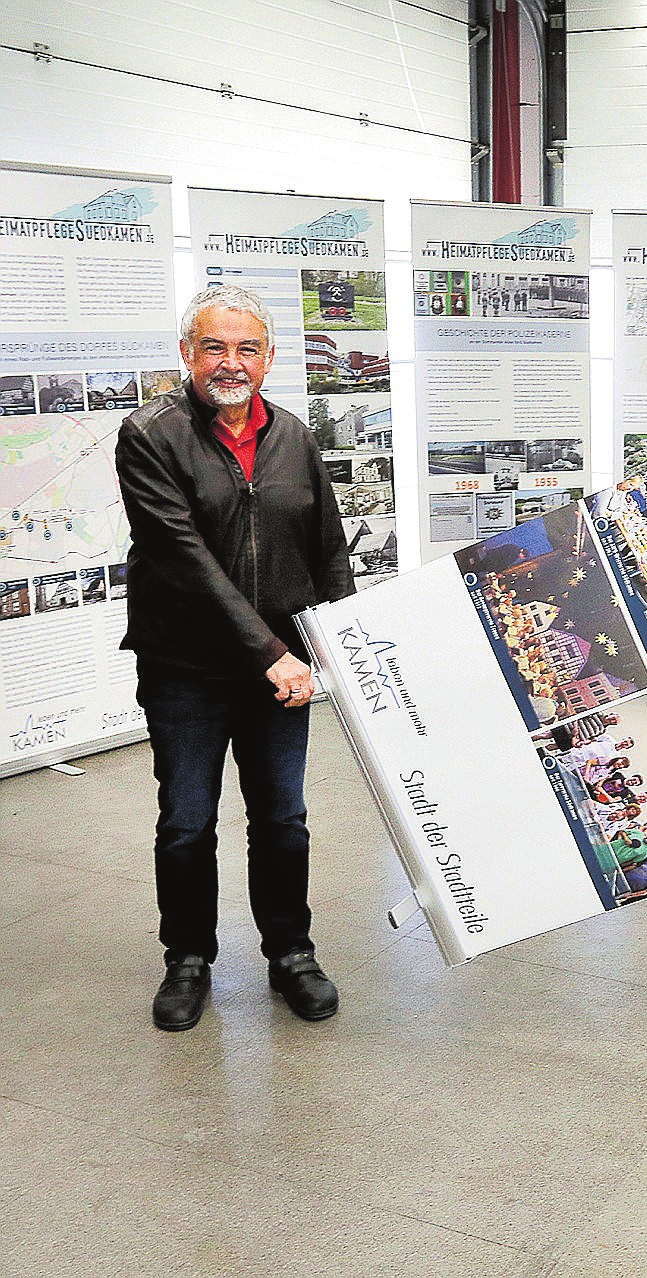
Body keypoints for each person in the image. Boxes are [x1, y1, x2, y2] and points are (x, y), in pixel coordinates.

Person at [116, 283, 355, 1032]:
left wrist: (339, 646)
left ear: (270, 358)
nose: (231, 361)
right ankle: (187, 960)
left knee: (282, 818)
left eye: (246, 347)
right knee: (186, 822)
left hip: (280, 668)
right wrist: (270, 653)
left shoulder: (292, 435)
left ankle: (290, 954)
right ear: (186, 353)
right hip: (186, 667)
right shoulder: (149, 433)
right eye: (214, 346)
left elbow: (328, 550)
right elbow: (182, 558)